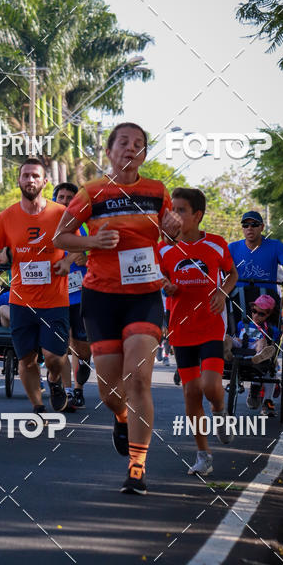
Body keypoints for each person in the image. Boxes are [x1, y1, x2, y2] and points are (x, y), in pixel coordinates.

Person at [54, 122, 182, 495]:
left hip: (143, 296)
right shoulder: (92, 192)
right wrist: (93, 240)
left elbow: (170, 234)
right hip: (102, 297)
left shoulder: (157, 192)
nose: (131, 149)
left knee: (139, 379)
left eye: (139, 144)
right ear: (109, 151)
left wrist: (172, 227)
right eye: (123, 143)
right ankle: (122, 417)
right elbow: (60, 236)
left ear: (144, 153)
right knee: (111, 392)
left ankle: (137, 467)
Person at [158, 187, 238, 474]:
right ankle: (203, 455)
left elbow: (232, 273)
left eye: (181, 210)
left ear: (197, 215)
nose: (175, 216)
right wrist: (165, 286)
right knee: (191, 392)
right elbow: (158, 277)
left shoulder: (216, 244)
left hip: (211, 326)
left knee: (210, 386)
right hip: (180, 330)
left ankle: (220, 411)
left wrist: (223, 292)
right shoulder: (164, 249)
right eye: (172, 210)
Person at [0, 158, 70, 414]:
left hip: (55, 301)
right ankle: (38, 407)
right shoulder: (7, 217)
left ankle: (54, 380)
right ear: (19, 181)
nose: (30, 180)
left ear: (45, 181)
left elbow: (80, 247)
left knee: (54, 358)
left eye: (35, 176)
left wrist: (69, 262)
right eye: (25, 176)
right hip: (20, 302)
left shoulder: (60, 214)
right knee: (27, 361)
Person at [52, 182, 92, 410]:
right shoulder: (46, 224)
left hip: (81, 295)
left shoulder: (84, 225)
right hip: (55, 296)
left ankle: (81, 377)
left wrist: (86, 257)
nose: (65, 201)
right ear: (55, 199)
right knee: (61, 344)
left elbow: (97, 251)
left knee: (81, 346)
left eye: (70, 197)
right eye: (61, 197)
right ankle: (70, 391)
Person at [228, 211, 283, 330]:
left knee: (272, 327)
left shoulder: (275, 246)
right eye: (245, 225)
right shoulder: (232, 248)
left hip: (267, 299)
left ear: (262, 227)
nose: (249, 228)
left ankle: (269, 343)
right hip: (239, 299)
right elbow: (221, 270)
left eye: (254, 224)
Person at [231, 294, 280, 416]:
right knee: (228, 339)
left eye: (261, 314)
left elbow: (273, 344)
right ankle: (225, 352)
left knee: (263, 343)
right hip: (241, 349)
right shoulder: (242, 324)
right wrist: (235, 340)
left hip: (258, 353)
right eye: (254, 311)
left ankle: (267, 401)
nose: (256, 315)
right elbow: (237, 336)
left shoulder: (271, 329)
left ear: (268, 315)